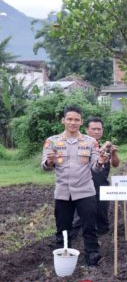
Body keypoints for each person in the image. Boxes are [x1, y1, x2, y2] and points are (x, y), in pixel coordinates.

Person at [41, 105, 108, 266]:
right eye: (69, 119)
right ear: (63, 120)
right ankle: (64, 257)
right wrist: (50, 162)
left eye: (76, 120)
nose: (73, 122)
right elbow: (44, 166)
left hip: (85, 191)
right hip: (63, 191)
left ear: (81, 122)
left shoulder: (90, 142)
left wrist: (100, 162)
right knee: (63, 227)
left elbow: (95, 167)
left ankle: (92, 255)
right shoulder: (52, 141)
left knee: (89, 226)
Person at [73, 117, 120, 236]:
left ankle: (103, 240)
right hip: (85, 186)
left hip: (102, 185)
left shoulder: (106, 148)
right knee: (80, 216)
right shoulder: (81, 145)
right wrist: (104, 146)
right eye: (93, 129)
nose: (97, 131)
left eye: (99, 129)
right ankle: (74, 239)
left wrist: (113, 153)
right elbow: (93, 156)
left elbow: (115, 164)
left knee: (102, 215)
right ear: (87, 130)